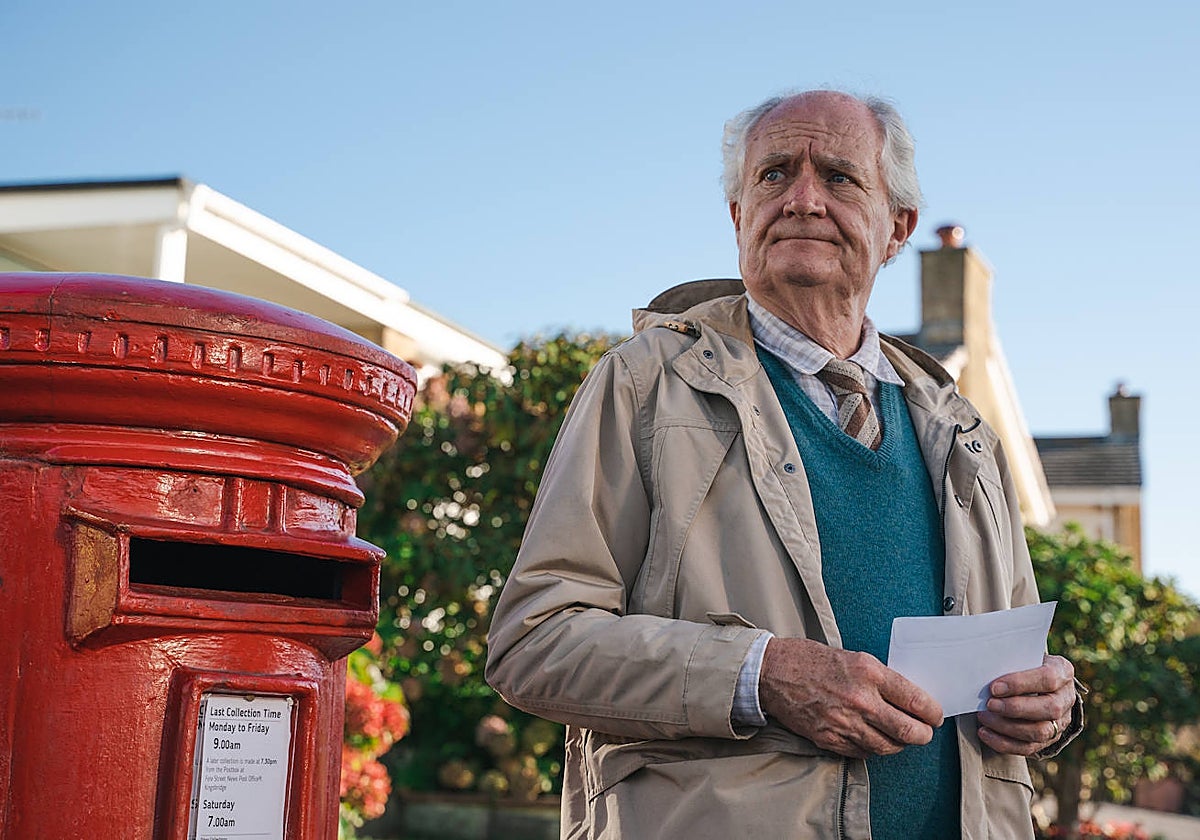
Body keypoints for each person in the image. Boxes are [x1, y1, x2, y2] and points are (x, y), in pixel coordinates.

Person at [485, 89, 1082, 839]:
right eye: (773, 175)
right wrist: (760, 676)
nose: (802, 198)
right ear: (739, 215)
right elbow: (535, 641)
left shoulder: (960, 427)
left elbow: (1016, 653)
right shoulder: (644, 383)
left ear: (896, 228)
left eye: (838, 176)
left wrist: (1050, 704)